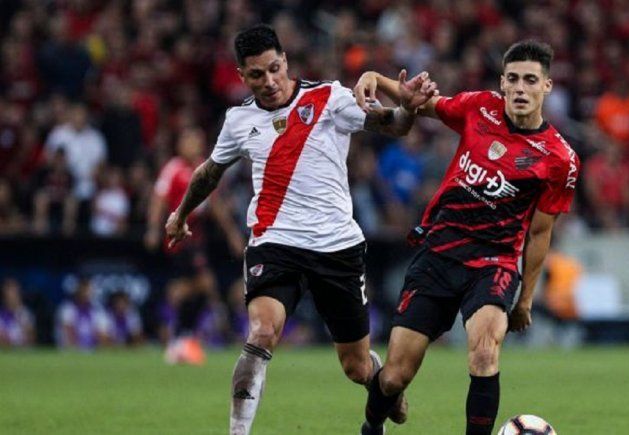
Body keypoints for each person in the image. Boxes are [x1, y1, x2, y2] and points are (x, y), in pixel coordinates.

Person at [163, 24, 436, 435]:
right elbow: (209, 173)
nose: (269, 81)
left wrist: (409, 108)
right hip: (275, 244)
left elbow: (393, 124)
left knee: (356, 366)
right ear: (242, 76)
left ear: (285, 61)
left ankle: (378, 382)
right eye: (257, 75)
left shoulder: (329, 99)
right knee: (262, 331)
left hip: (337, 247)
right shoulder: (239, 120)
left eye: (274, 68)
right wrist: (181, 214)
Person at [354, 40, 580, 435]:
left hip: (493, 263)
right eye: (513, 79)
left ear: (547, 86)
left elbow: (541, 232)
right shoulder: (479, 108)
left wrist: (525, 299)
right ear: (502, 83)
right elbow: (422, 103)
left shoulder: (559, 158)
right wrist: (377, 78)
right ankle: (372, 426)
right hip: (439, 254)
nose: (520, 88)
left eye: (530, 80)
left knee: (483, 354)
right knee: (393, 378)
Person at [146, 127, 243, 363]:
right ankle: (179, 331)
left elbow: (216, 205)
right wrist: (151, 229)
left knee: (194, 287)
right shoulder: (173, 169)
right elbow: (158, 200)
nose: (195, 145)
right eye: (190, 141)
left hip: (198, 236)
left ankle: (180, 337)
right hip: (180, 236)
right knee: (206, 283)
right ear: (180, 145)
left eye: (198, 141)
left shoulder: (204, 167)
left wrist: (232, 233)